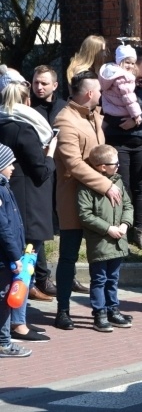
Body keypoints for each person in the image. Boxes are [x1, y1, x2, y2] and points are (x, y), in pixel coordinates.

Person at [53, 70, 119, 330]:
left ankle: (106, 310)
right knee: (68, 256)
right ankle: (63, 310)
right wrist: (105, 185)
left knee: (102, 257)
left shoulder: (94, 116)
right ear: (90, 93)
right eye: (99, 90)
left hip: (97, 201)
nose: (102, 94)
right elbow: (73, 163)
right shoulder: (65, 120)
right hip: (73, 199)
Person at [0, 67, 58, 308]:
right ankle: (18, 318)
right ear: (26, 101)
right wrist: (51, 152)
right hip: (28, 202)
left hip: (8, 198)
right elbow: (40, 171)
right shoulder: (24, 128)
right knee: (24, 264)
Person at [99, 45, 142, 252]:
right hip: (118, 141)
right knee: (121, 187)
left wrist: (137, 120)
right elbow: (106, 110)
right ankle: (121, 230)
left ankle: (140, 231)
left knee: (140, 187)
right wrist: (120, 123)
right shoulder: (116, 83)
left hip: (140, 142)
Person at [77, 144, 134, 332]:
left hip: (118, 241)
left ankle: (112, 310)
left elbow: (128, 205)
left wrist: (125, 224)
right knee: (99, 279)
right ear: (102, 167)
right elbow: (85, 215)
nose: (118, 166)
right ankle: (99, 314)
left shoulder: (118, 182)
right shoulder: (87, 186)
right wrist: (108, 228)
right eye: (115, 164)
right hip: (100, 242)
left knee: (113, 279)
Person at [30, 65, 66, 296]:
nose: (39, 87)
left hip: (61, 172)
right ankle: (42, 277)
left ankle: (67, 274)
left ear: (55, 85)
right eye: (36, 82)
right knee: (40, 226)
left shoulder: (63, 107)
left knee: (66, 223)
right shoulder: (28, 107)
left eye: (44, 83)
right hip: (38, 173)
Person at [0, 143, 34, 358]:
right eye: (9, 163)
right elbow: (3, 227)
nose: (13, 167)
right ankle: (3, 343)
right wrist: (15, 256)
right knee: (4, 300)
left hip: (8, 255)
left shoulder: (4, 186)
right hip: (4, 257)